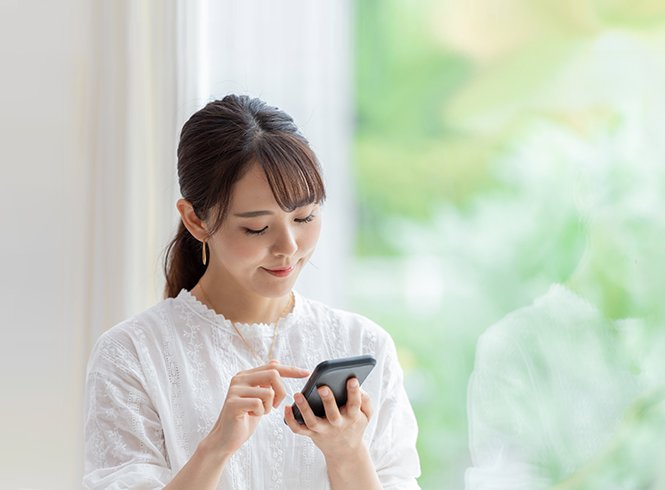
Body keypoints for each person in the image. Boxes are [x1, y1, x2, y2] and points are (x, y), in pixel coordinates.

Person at [82, 95, 421, 490]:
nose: (289, 246)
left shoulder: (364, 342)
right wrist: (215, 449)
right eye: (257, 228)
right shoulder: (132, 354)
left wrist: (347, 453)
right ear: (195, 220)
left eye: (304, 217)